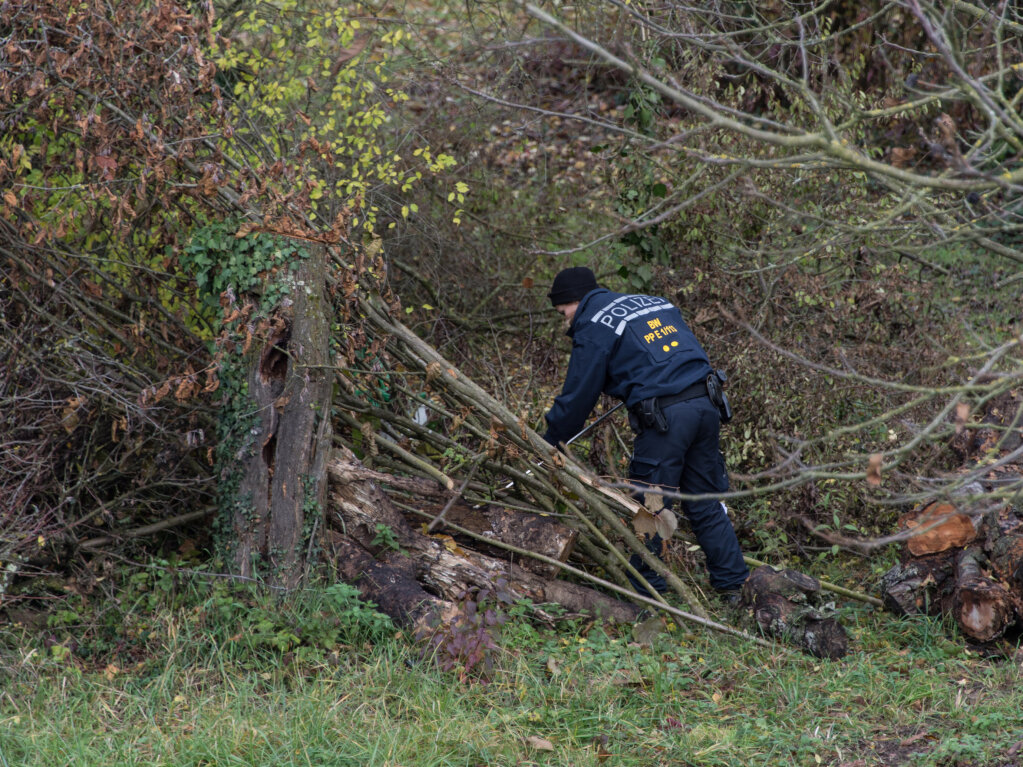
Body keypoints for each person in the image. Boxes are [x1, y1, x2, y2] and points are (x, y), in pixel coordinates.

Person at [542, 266, 748, 600]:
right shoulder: (654, 304)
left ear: (573, 301)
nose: (563, 319)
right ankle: (735, 587)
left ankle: (646, 596)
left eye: (561, 311)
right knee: (705, 501)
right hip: (706, 404)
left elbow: (577, 398)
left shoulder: (595, 325)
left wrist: (550, 440)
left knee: (651, 507)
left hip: (667, 420)